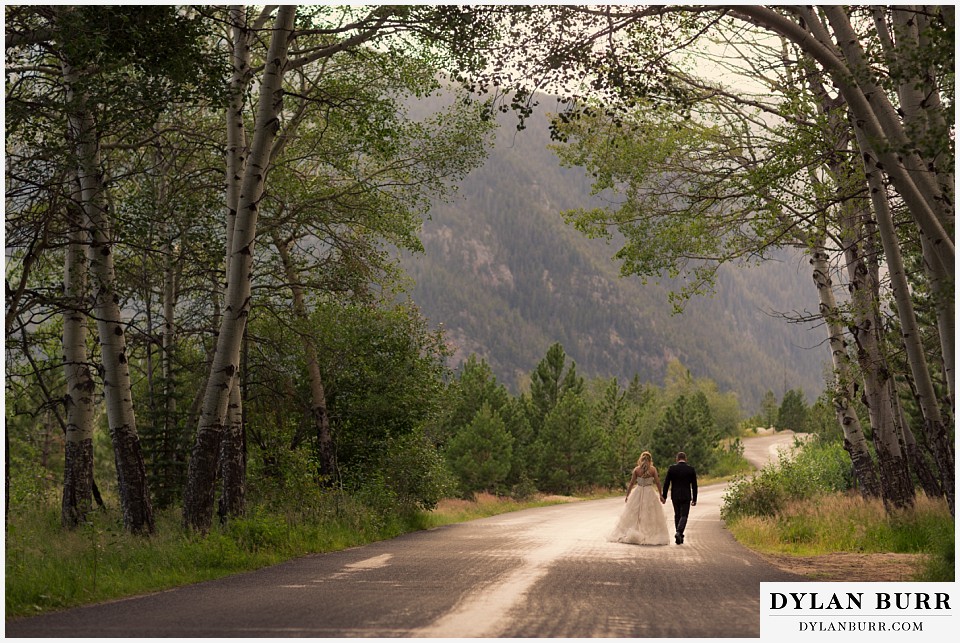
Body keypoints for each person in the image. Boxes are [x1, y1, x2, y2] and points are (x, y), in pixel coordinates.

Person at [607, 451, 670, 545]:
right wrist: (661, 494)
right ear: (650, 460)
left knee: (635, 514)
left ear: (641, 459)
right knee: (650, 514)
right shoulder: (653, 470)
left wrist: (627, 495)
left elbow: (632, 483)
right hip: (649, 492)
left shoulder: (637, 470)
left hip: (638, 492)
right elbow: (657, 482)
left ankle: (635, 531)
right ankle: (648, 534)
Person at [660, 451, 698, 545]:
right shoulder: (690, 469)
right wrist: (694, 498)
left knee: (677, 514)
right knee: (684, 515)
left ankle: (679, 536)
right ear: (686, 459)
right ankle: (679, 532)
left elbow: (666, 483)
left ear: (677, 459)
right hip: (686, 495)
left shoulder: (672, 469)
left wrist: (664, 496)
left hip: (675, 495)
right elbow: (694, 485)